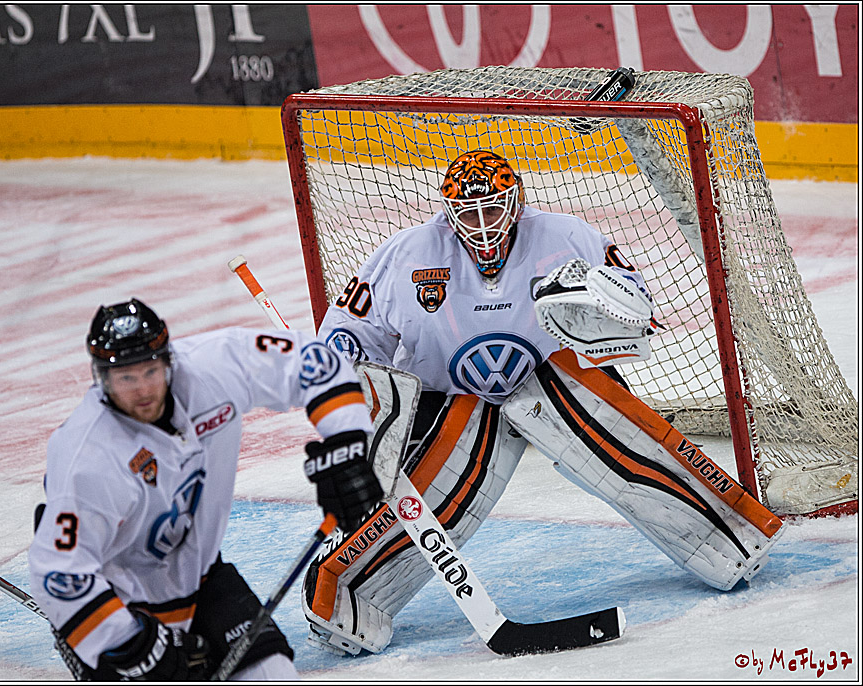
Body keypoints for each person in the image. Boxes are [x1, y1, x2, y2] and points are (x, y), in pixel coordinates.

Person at [301, 150, 782, 656]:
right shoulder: (408, 254)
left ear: (517, 202)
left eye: (492, 210)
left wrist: (601, 307)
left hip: (553, 384)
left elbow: (636, 310)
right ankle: (347, 601)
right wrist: (345, 376)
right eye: (468, 214)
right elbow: (349, 330)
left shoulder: (566, 237)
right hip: (448, 400)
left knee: (627, 449)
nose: (482, 225)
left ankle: (731, 538)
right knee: (431, 500)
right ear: (448, 212)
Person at [28, 298, 383, 680]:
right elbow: (58, 574)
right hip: (123, 603)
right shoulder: (87, 457)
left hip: (201, 576)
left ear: (168, 360)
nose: (143, 389)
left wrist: (346, 444)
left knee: (275, 673)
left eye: (151, 370)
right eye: (126, 378)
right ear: (102, 379)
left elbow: (314, 360)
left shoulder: (212, 367)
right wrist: (131, 644)